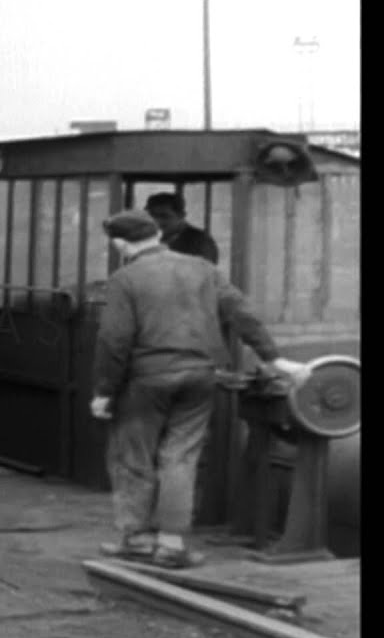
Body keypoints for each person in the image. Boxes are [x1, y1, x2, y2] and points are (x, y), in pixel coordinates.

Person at [90, 209, 310, 569]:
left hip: (146, 378)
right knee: (181, 458)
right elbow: (242, 313)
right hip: (200, 375)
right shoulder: (202, 269)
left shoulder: (125, 278)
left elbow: (115, 339)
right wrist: (274, 359)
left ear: (118, 243)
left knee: (134, 458)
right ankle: (173, 545)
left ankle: (138, 540)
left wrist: (104, 391)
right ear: (157, 234)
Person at [144, 193, 219, 265]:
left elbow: (204, 273)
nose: (156, 221)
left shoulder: (200, 242)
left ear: (181, 215)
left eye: (164, 216)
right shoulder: (147, 238)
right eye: (151, 215)